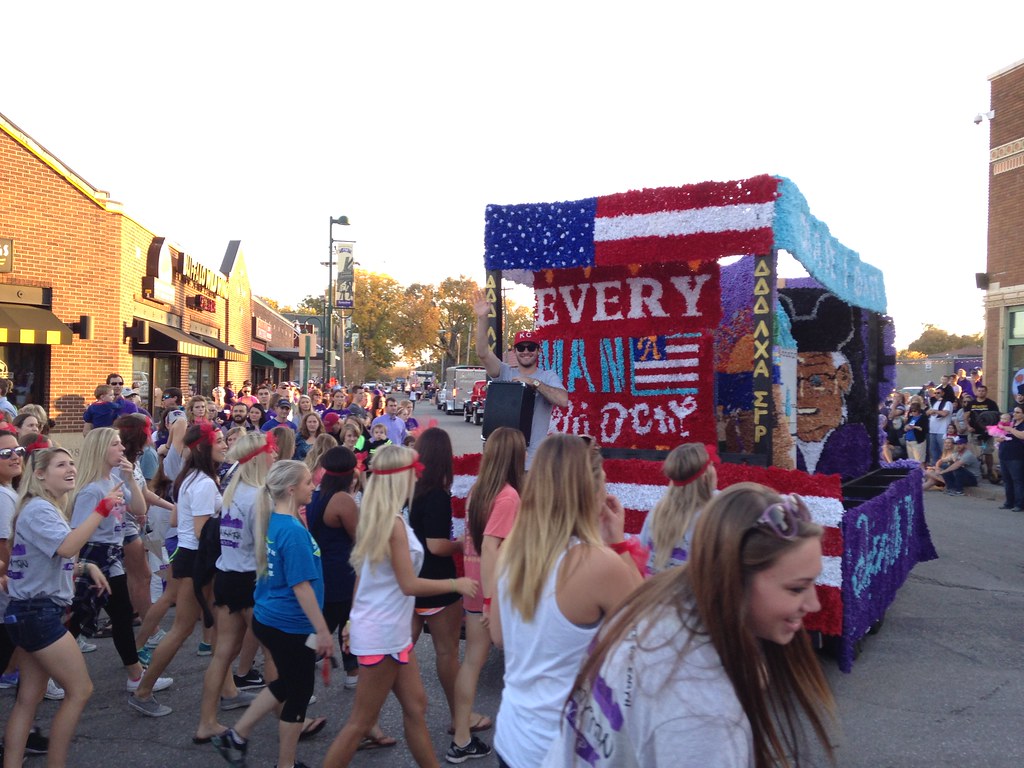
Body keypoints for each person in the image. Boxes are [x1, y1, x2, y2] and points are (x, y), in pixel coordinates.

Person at [542, 483, 836, 768]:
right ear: (734, 579)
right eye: (797, 589)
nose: (814, 605)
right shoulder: (704, 715)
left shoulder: (655, 596)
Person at [489, 434, 643, 767]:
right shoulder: (599, 563)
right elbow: (648, 633)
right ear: (592, 491)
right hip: (565, 749)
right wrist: (618, 544)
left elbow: (499, 637)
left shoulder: (511, 553)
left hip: (514, 737)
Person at [322, 445, 477, 767]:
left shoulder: (382, 517)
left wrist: (352, 621)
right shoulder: (390, 523)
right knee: (360, 723)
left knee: (416, 706)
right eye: (413, 471)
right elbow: (409, 585)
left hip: (387, 629)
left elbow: (363, 579)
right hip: (383, 633)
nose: (417, 476)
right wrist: (455, 584)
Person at [212, 460, 331, 768]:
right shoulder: (291, 530)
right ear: (291, 489)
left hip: (270, 616)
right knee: (299, 693)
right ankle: (285, 764)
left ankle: (237, 735)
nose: (313, 487)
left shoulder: (276, 521)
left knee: (287, 683)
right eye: (308, 482)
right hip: (290, 624)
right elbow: (301, 587)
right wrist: (322, 630)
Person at [2, 447, 113, 767]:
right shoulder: (39, 509)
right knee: (80, 691)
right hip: (38, 613)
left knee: (28, 699)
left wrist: (86, 568)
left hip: (28, 611)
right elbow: (67, 547)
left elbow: (46, 560)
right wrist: (102, 508)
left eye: (72, 463)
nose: (71, 469)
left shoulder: (41, 508)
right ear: (39, 474)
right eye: (61, 465)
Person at [129, 422, 232, 717]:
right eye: (220, 441)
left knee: (216, 626)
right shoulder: (203, 482)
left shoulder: (192, 478)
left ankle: (229, 690)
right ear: (204, 447)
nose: (225, 445)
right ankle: (143, 690)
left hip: (194, 558)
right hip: (197, 559)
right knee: (183, 627)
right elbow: (201, 531)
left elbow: (177, 521)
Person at [67, 428, 173, 695]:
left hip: (113, 556)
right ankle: (44, 675)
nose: (122, 449)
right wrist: (73, 570)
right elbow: (78, 533)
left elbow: (139, 509)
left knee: (121, 615)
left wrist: (130, 479)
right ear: (101, 450)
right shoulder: (91, 490)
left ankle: (135, 675)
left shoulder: (113, 481)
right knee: (77, 619)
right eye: (115, 445)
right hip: (94, 557)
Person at [449, 427, 526, 763]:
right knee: (512, 667)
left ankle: (461, 733)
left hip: (475, 582)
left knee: (472, 663)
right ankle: (470, 738)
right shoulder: (508, 496)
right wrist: (494, 601)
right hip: (493, 590)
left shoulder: (481, 489)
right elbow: (493, 546)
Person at [408, 428, 487, 742]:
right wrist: (462, 545)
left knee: (397, 651)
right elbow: (437, 545)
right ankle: (461, 719)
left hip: (412, 580)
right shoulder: (437, 494)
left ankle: (367, 718)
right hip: (440, 581)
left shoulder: (410, 488)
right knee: (447, 653)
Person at [194, 432, 274, 744]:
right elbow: (266, 547)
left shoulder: (232, 490)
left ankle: (206, 722)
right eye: (270, 453)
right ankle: (293, 719)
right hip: (251, 579)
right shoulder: (259, 496)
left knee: (222, 655)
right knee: (274, 651)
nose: (273, 458)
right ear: (259, 459)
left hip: (227, 575)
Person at [473, 290, 568, 467]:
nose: (526, 351)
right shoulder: (505, 371)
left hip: (533, 463)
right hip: (503, 462)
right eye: (521, 347)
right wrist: (482, 318)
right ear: (514, 351)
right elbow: (483, 353)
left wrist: (534, 383)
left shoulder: (548, 376)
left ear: (538, 351)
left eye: (530, 347)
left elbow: (563, 400)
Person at [638, 442, 717, 575]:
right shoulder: (712, 517)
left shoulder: (656, 513)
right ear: (705, 478)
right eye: (712, 465)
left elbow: (642, 555)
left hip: (655, 591)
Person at [967, 384, 1001, 481]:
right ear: (976, 392)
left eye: (983, 391)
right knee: (975, 454)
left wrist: (991, 430)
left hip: (987, 433)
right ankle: (977, 471)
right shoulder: (971, 404)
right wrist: (968, 427)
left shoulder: (991, 404)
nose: (981, 392)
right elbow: (966, 416)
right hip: (974, 432)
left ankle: (989, 471)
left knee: (987, 452)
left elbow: (997, 417)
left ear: (986, 392)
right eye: (979, 391)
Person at [997, 405, 1024, 512]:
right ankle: (1009, 502)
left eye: (1018, 412)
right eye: (1014, 412)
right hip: (1004, 454)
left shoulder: (1019, 425)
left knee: (1017, 480)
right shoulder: (1011, 422)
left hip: (1016, 456)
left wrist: (1009, 429)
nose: (1014, 414)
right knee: (1007, 480)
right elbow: (999, 435)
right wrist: (999, 437)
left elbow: (1022, 436)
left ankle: (1019, 504)